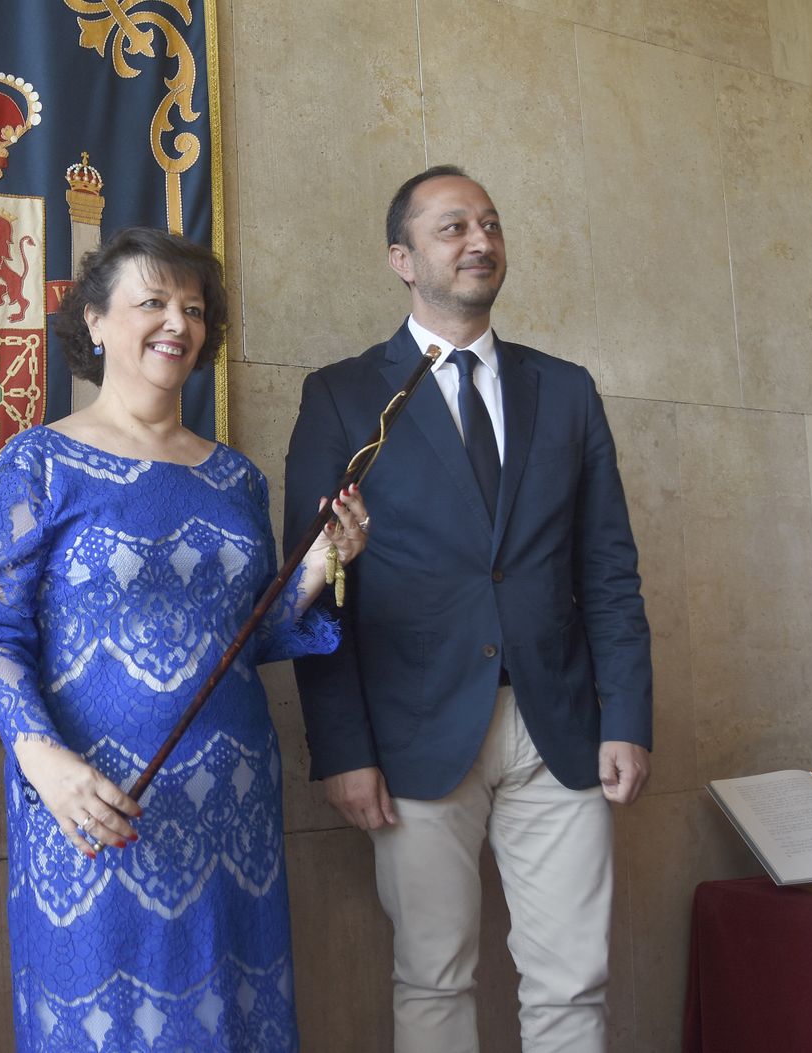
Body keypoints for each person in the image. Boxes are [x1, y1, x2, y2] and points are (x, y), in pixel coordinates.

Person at [0, 227, 369, 1051]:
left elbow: (248, 637)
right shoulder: (36, 461)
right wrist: (44, 763)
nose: (176, 322)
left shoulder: (236, 477)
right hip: (93, 805)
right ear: (97, 321)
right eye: (152, 302)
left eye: (192, 307)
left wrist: (321, 567)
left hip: (233, 816)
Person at [282, 166, 653, 1053]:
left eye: (489, 224)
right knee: (433, 977)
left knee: (574, 979)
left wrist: (628, 714)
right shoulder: (340, 395)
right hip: (411, 733)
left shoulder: (565, 389)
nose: (480, 240)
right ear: (402, 259)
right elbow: (315, 582)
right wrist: (343, 747)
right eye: (452, 228)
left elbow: (608, 568)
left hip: (560, 725)